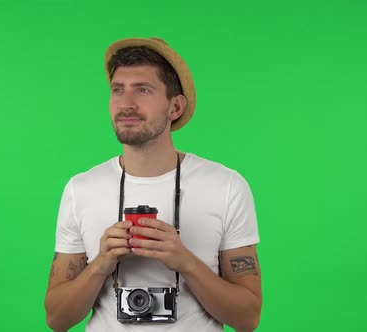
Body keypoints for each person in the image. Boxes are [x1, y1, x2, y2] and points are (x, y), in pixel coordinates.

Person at [44, 37, 261, 332]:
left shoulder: (226, 186)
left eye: (143, 90)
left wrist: (184, 261)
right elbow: (57, 319)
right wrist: (100, 265)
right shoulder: (80, 189)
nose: (126, 104)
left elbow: (247, 319)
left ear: (175, 107)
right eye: (117, 90)